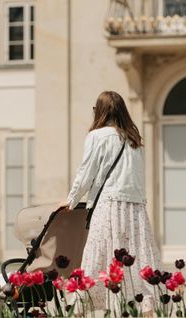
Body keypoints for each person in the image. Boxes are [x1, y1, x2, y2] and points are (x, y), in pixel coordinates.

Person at [65, 91, 160, 313]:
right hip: (135, 208)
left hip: (109, 205)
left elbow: (86, 173)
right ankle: (144, 310)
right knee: (138, 262)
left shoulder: (97, 136)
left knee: (98, 258)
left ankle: (83, 309)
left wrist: (71, 200)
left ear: (100, 111)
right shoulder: (133, 139)